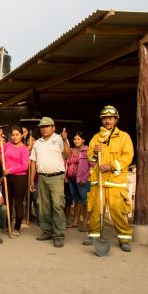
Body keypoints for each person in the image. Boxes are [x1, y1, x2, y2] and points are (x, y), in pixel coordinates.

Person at [82, 106, 134, 252]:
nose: (107, 121)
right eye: (105, 118)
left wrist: (110, 166)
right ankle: (93, 235)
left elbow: (127, 157)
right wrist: (94, 152)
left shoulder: (124, 137)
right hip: (98, 180)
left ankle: (124, 238)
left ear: (116, 120)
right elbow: (90, 159)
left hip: (115, 182)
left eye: (110, 118)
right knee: (96, 209)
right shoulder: (96, 137)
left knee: (118, 210)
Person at [29, 117, 71, 248]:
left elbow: (68, 155)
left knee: (58, 206)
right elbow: (33, 162)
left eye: (47, 126)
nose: (44, 128)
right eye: (42, 126)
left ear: (53, 127)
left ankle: (59, 235)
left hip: (56, 177)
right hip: (41, 177)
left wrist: (64, 140)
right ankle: (47, 231)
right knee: (43, 206)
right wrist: (31, 179)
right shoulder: (37, 143)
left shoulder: (59, 139)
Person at [3, 126, 29, 238]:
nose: (14, 137)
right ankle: (7, 223)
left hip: (19, 178)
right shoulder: (7, 145)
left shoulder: (24, 149)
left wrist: (10, 170)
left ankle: (17, 227)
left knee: (18, 202)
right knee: (7, 201)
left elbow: (25, 166)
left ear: (22, 135)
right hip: (7, 177)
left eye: (17, 135)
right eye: (12, 135)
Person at [65, 131, 90, 232]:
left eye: (78, 139)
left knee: (85, 202)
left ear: (83, 140)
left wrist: (85, 178)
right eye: (75, 139)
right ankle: (75, 221)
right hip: (72, 179)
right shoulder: (71, 150)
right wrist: (66, 175)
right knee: (76, 201)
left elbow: (92, 166)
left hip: (82, 180)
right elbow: (68, 163)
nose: (76, 141)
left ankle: (85, 223)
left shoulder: (87, 150)